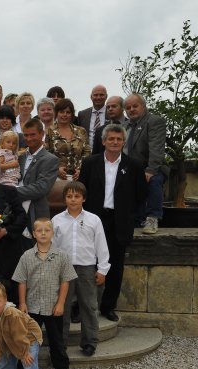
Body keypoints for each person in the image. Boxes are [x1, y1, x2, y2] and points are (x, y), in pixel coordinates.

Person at [78, 124, 146, 322]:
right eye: (111, 139)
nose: (115, 142)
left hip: (119, 221)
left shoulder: (134, 165)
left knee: (115, 266)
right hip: (93, 219)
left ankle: (108, 306)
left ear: (124, 142)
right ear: (103, 141)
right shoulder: (90, 163)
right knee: (87, 264)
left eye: (119, 139)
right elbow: (81, 190)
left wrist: (129, 215)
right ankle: (80, 307)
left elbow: (141, 194)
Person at [13, 218, 77, 369]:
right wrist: (22, 303)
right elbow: (22, 281)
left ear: (52, 233)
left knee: (56, 339)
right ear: (34, 234)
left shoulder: (62, 256)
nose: (43, 233)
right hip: (32, 306)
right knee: (27, 338)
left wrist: (61, 303)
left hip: (53, 306)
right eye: (39, 231)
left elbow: (65, 281)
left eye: (47, 230)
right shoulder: (27, 256)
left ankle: (61, 367)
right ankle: (22, 366)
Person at [52, 181, 110, 356]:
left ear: (83, 198)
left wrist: (102, 269)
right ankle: (60, 343)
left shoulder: (93, 220)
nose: (73, 199)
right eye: (69, 196)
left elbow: (101, 245)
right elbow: (52, 246)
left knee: (89, 306)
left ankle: (89, 342)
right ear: (64, 199)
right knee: (62, 306)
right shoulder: (56, 220)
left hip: (87, 268)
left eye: (77, 196)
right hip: (64, 269)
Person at [124, 93, 168, 234]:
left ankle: (152, 218)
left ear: (143, 106)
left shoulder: (154, 121)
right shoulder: (124, 126)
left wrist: (150, 169)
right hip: (130, 167)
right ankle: (133, 219)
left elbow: (156, 149)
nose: (131, 109)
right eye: (128, 108)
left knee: (153, 179)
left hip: (151, 166)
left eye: (135, 106)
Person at [16, 119, 59, 246]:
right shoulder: (20, 157)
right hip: (16, 213)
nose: (29, 138)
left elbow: (41, 188)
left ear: (42, 134)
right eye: (26, 135)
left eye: (33, 134)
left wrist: (11, 192)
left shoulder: (51, 159)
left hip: (35, 215)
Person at [46, 99, 90, 181]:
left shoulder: (81, 131)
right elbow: (46, 154)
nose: (65, 115)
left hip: (78, 177)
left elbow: (87, 153)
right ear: (56, 113)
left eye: (68, 112)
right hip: (56, 177)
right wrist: (56, 169)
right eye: (61, 112)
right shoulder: (49, 131)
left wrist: (81, 170)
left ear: (72, 114)